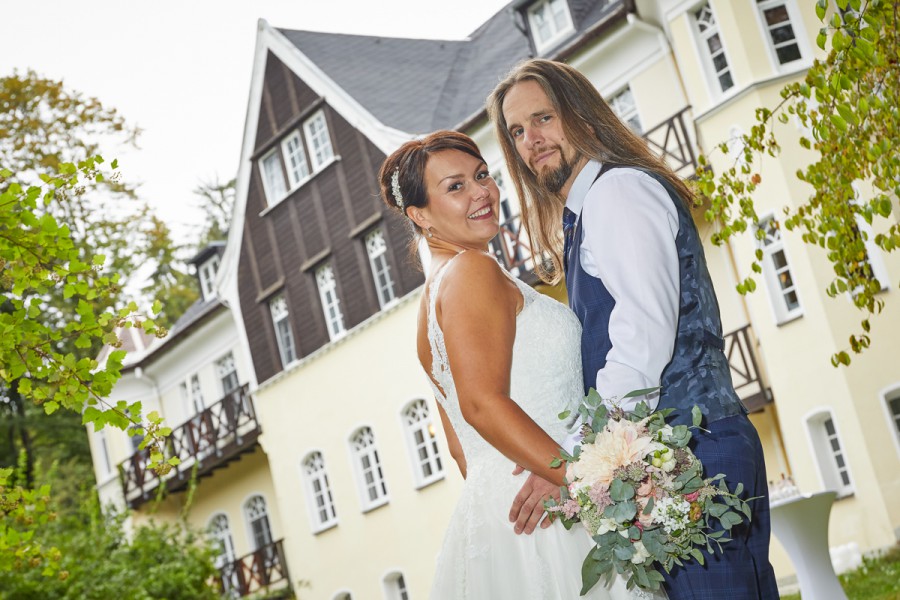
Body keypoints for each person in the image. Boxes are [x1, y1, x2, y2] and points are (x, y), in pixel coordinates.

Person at [487, 58, 779, 600]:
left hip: (696, 449)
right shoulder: (588, 209)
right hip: (677, 452)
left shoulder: (616, 193)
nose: (532, 141)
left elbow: (642, 337)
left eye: (543, 118)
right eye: (518, 132)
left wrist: (571, 463)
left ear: (584, 116)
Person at [378, 130, 662, 600]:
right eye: (455, 187)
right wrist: (582, 480)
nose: (481, 192)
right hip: (554, 499)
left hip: (507, 511)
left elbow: (460, 448)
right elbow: (481, 406)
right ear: (419, 215)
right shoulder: (473, 271)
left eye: (482, 175)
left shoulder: (430, 304)